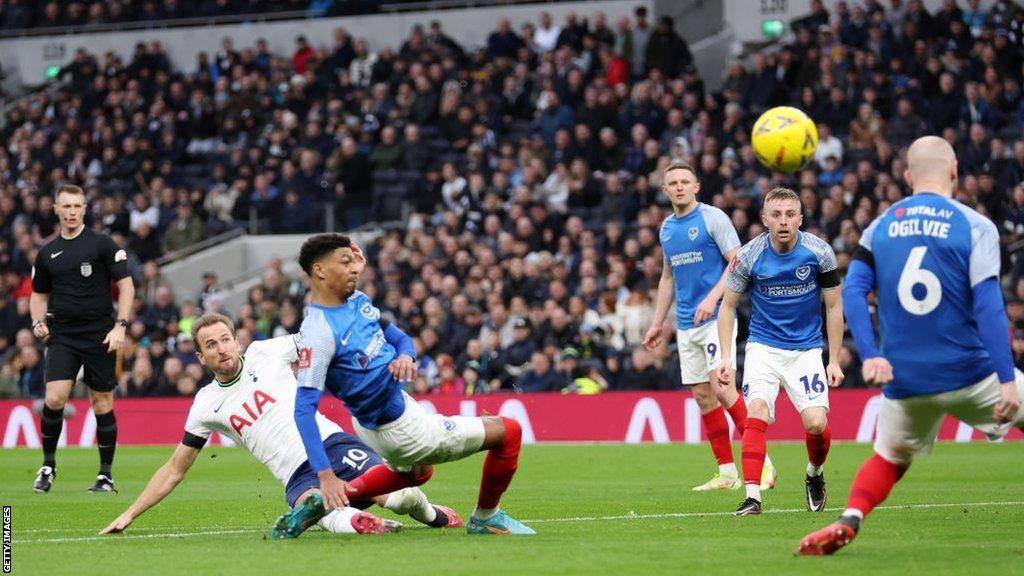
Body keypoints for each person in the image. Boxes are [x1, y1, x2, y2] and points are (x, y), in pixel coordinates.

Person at [798, 136, 1024, 555]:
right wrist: (1007, 379)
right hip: (971, 373)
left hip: (905, 380)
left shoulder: (878, 228)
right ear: (955, 171)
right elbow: (991, 307)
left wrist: (872, 355)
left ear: (906, 176)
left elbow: (854, 291)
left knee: (890, 457)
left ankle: (850, 517)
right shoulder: (975, 226)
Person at [100, 313, 463, 537]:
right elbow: (175, 469)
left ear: (237, 341)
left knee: (401, 499)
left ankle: (431, 515)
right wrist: (130, 513)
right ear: (201, 357)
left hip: (332, 445)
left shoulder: (265, 351)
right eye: (211, 345)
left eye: (226, 339)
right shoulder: (206, 404)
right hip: (296, 476)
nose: (222, 348)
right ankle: (362, 525)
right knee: (315, 507)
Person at [286, 234, 534, 536]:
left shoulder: (356, 303)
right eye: (345, 262)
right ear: (319, 270)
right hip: (400, 430)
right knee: (509, 432)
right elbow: (303, 409)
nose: (354, 268)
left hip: (385, 418)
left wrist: (405, 355)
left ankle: (331, 500)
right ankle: (486, 517)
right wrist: (325, 474)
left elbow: (402, 340)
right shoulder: (318, 332)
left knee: (418, 473)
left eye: (355, 261)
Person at [644, 162, 777, 492]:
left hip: (718, 317)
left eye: (684, 181)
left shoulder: (713, 218)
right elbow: (667, 277)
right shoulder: (667, 229)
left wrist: (712, 298)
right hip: (687, 324)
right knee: (703, 396)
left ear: (696, 186)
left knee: (722, 387)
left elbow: (737, 261)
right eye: (672, 182)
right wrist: (658, 323)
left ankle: (763, 464)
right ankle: (727, 472)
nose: (678, 187)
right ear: (665, 191)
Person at [716, 187, 844, 516]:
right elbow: (727, 306)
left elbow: (833, 306)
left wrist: (833, 359)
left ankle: (814, 474)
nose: (783, 221)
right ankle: (752, 496)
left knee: (816, 424)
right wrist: (727, 359)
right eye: (776, 215)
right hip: (763, 347)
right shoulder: (748, 255)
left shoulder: (820, 253)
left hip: (806, 350)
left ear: (800, 219)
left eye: (790, 214)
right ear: (764, 219)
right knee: (756, 411)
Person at [30, 184, 135, 493]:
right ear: (56, 210)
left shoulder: (103, 244)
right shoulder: (47, 252)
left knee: (101, 401)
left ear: (85, 209)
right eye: (67, 206)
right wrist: (37, 321)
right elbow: (38, 295)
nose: (72, 211)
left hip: (100, 335)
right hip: (63, 335)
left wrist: (121, 326)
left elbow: (126, 287)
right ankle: (48, 465)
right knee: (54, 398)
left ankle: (105, 475)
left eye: (77, 206)